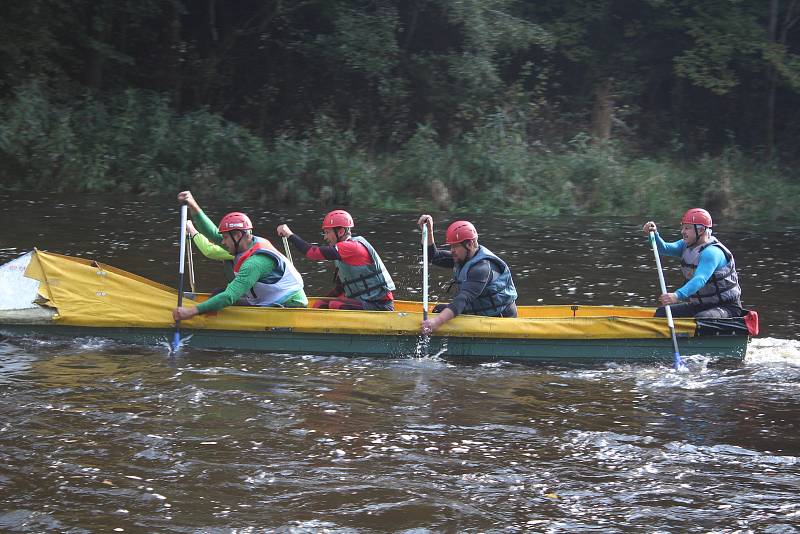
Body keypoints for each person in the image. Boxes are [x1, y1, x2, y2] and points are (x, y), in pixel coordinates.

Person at [172, 191, 307, 321]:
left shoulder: (255, 263)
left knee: (223, 298)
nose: (222, 242)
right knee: (218, 294)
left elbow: (229, 296)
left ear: (237, 235)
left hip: (290, 306)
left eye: (225, 237)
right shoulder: (243, 242)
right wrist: (192, 204)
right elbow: (212, 233)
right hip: (270, 299)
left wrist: (190, 312)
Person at [276, 210, 395, 311]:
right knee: (320, 304)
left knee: (335, 305)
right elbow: (340, 288)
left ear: (341, 232)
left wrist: (289, 234)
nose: (325, 237)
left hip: (380, 305)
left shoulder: (351, 247)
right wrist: (319, 305)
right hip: (364, 301)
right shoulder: (341, 253)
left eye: (327, 232)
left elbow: (312, 253)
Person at [417, 215, 518, 334]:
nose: (452, 250)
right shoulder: (462, 257)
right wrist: (428, 231)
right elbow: (433, 257)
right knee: (438, 309)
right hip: (479, 313)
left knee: (441, 315)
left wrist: (436, 322)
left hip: (500, 319)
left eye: (455, 246)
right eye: (451, 246)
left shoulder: (482, 269)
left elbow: (462, 300)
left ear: (469, 244)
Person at [642, 208, 742, 318]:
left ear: (700, 230)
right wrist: (654, 234)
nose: (682, 231)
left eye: (687, 228)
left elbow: (700, 279)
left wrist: (677, 295)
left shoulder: (712, 253)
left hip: (727, 308)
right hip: (701, 305)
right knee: (662, 312)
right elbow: (663, 248)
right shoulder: (685, 245)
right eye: (683, 227)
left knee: (702, 318)